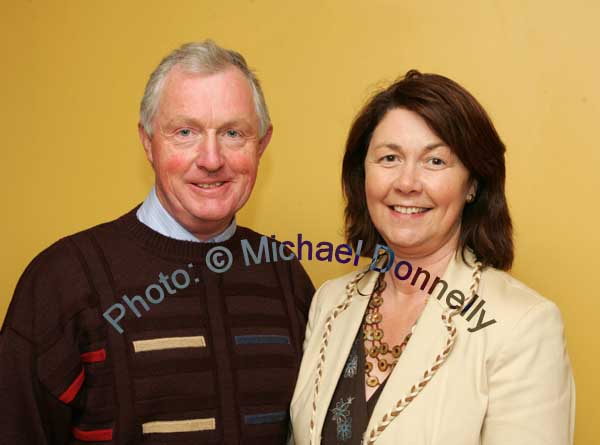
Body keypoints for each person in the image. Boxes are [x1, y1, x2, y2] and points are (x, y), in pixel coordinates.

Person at [0, 40, 314, 444]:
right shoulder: (62, 279)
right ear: (148, 142)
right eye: (185, 132)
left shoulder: (284, 274)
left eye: (234, 133)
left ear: (262, 144)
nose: (212, 158)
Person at [290, 70, 575, 445]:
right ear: (363, 176)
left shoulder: (521, 326)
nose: (407, 183)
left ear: (473, 184)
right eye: (389, 158)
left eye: (435, 162)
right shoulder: (329, 302)